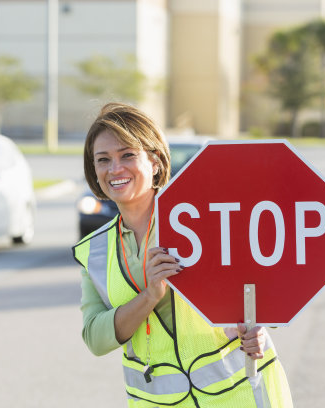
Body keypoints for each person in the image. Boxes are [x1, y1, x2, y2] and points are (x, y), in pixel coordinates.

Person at [72, 103, 293, 407]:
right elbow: (96, 339)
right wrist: (149, 296)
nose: (115, 169)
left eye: (127, 155)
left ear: (156, 162)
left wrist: (257, 325)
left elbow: (263, 285)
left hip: (239, 396)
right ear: (94, 171)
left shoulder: (202, 217)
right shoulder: (94, 250)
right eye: (103, 159)